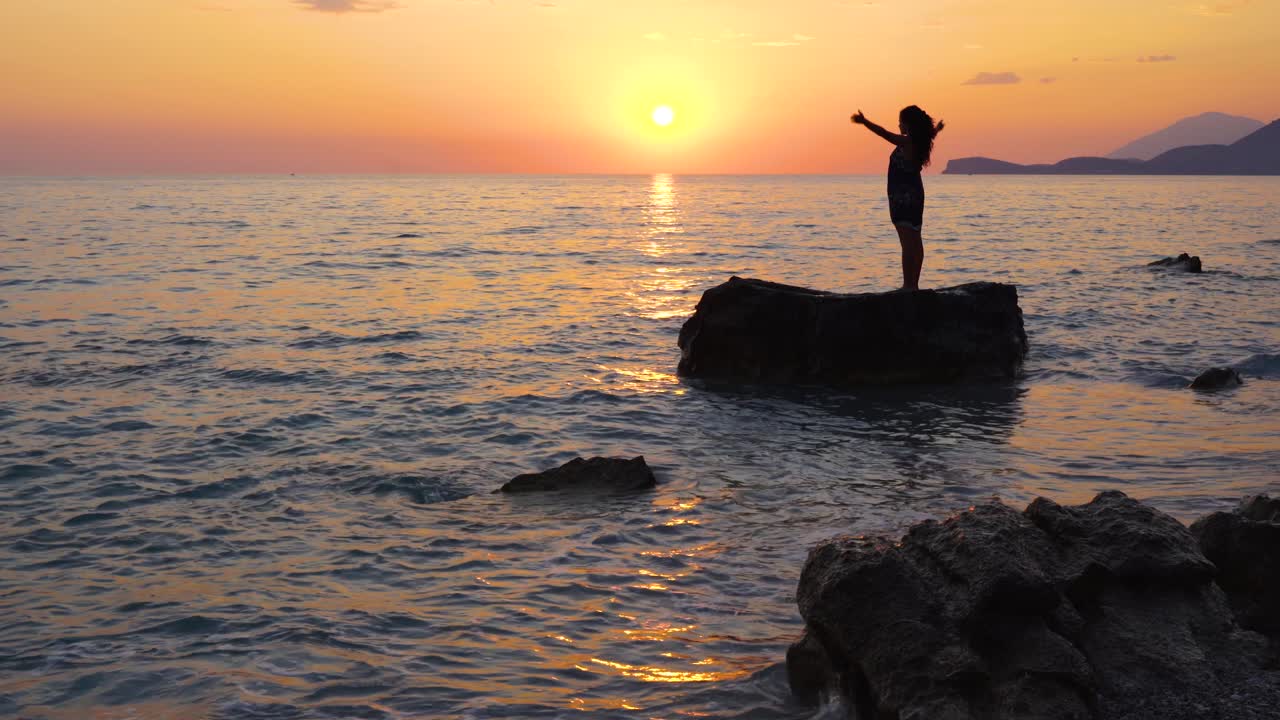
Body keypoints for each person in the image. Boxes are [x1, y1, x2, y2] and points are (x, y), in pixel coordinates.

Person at [851, 106, 945, 290]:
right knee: (914, 240)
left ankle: (908, 285)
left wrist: (865, 122)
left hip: (904, 197)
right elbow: (930, 134)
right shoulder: (919, 141)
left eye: (901, 121)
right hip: (913, 194)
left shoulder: (908, 142)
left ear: (908, 125)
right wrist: (937, 130)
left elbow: (884, 134)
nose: (899, 125)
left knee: (908, 242)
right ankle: (913, 285)